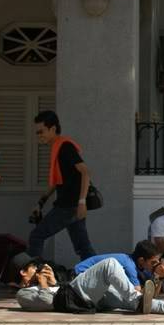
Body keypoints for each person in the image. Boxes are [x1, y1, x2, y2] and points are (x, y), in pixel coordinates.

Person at [16, 240, 164, 315]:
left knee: (123, 298)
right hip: (75, 296)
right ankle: (138, 300)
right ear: (23, 272)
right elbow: (48, 302)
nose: (39, 270)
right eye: (34, 268)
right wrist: (44, 285)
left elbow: (59, 290)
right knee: (110, 264)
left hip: (83, 297)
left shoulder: (41, 285)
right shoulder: (22, 295)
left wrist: (54, 282)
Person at [28, 110, 95, 261]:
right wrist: (40, 202)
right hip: (72, 206)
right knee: (83, 247)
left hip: (68, 206)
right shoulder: (57, 148)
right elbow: (57, 182)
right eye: (37, 132)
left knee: (36, 236)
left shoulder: (64, 147)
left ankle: (34, 276)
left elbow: (85, 172)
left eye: (41, 131)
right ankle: (99, 277)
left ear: (52, 129)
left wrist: (82, 202)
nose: (39, 135)